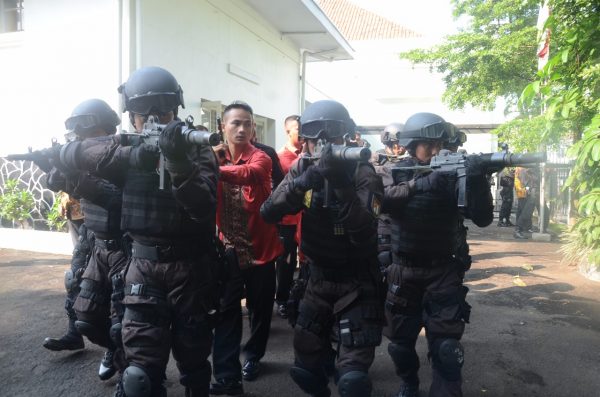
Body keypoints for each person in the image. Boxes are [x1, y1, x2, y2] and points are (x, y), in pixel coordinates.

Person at [59, 66, 220, 397]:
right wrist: (72, 177)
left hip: (191, 270)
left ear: (175, 110)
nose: (153, 119)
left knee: (194, 365)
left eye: (161, 111)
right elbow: (92, 159)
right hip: (143, 269)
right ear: (131, 117)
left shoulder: (197, 148)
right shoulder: (126, 150)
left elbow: (202, 206)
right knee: (139, 377)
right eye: (142, 114)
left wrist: (177, 163)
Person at [261, 99, 384, 397]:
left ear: (347, 138)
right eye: (316, 140)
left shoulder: (363, 172)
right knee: (306, 370)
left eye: (332, 139)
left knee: (353, 380)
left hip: (356, 281)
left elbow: (364, 231)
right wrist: (304, 181)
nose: (323, 147)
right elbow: (269, 212)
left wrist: (342, 185)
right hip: (316, 279)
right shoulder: (304, 167)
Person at [381, 112, 493, 397]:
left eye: (440, 144)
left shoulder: (454, 173)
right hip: (402, 272)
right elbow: (381, 201)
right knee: (400, 345)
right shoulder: (393, 171)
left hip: (442, 272)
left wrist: (478, 180)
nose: (435, 151)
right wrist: (422, 184)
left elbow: (482, 218)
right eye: (428, 145)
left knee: (446, 348)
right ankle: (409, 381)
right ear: (411, 145)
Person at [210, 101, 283, 394]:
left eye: (247, 124)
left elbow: (246, 175)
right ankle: (227, 375)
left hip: (261, 252)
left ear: (253, 128)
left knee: (260, 310)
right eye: (235, 123)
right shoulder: (213, 156)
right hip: (228, 252)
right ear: (223, 127)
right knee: (227, 312)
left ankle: (253, 356)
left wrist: (211, 165)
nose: (242, 129)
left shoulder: (261, 158)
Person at [274, 115, 302, 319]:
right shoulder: (280, 157)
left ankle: (301, 298)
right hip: (288, 221)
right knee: (286, 263)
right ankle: (281, 300)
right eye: (298, 129)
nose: (302, 134)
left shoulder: (308, 155)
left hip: (307, 218)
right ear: (288, 131)